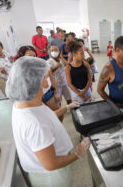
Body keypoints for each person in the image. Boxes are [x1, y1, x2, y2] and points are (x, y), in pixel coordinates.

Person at [6, 56, 90, 187]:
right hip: (52, 177)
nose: (47, 82)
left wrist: (66, 107)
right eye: (45, 78)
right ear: (33, 83)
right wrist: (77, 154)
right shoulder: (34, 124)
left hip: (47, 167)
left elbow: (47, 118)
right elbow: (51, 164)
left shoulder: (25, 102)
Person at [15, 46, 65, 121]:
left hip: (47, 93)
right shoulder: (20, 70)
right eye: (29, 56)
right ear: (22, 57)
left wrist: (56, 92)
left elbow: (52, 78)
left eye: (34, 56)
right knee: (43, 118)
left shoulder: (43, 64)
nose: (32, 58)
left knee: (59, 114)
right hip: (33, 98)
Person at [97, 36, 123, 106]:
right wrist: (113, 105)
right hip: (118, 108)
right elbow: (100, 90)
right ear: (118, 50)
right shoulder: (108, 68)